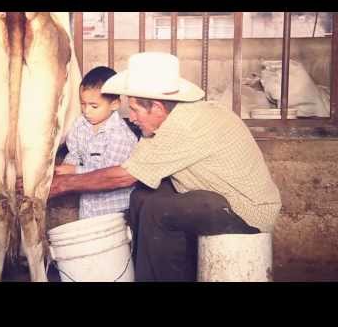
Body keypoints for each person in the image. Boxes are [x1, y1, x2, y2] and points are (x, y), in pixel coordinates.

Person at [49, 52, 282, 281]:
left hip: (246, 212)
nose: (131, 117)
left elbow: (122, 177)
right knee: (141, 197)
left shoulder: (185, 125)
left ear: (158, 108)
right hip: (215, 199)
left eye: (135, 110)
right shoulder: (162, 124)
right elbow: (134, 169)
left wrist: (59, 185)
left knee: (158, 210)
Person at [55, 66, 138, 219]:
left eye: (94, 106)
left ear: (114, 104)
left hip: (114, 211)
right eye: (82, 104)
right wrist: (63, 169)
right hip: (88, 207)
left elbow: (106, 174)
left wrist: (73, 171)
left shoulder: (121, 136)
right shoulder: (80, 125)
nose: (86, 111)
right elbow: (75, 153)